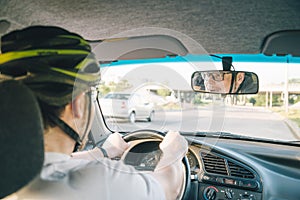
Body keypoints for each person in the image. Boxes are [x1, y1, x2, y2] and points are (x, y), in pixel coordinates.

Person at [0, 26, 188, 200]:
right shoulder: (101, 181)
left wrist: (104, 152)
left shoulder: (9, 171)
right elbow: (169, 187)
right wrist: (173, 152)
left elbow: (50, 163)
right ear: (77, 103)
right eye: (91, 93)